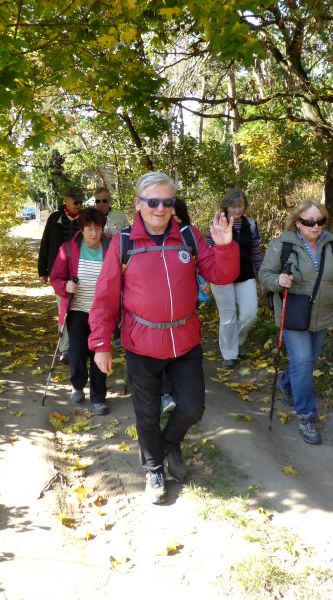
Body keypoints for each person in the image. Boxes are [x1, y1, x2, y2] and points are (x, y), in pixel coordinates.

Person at [88, 171, 239, 504]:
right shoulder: (124, 243)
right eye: (152, 201)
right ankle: (154, 469)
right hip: (141, 344)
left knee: (192, 408)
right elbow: (105, 298)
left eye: (166, 202)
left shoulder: (188, 236)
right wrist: (100, 344)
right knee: (146, 414)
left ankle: (171, 441)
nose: (160, 208)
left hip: (185, 341)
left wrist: (225, 247)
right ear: (138, 204)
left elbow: (221, 274)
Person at [258, 200, 333, 445]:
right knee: (304, 361)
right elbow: (265, 275)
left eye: (320, 221)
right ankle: (307, 416)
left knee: (306, 362)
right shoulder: (281, 245)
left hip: (322, 314)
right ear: (298, 222)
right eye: (309, 222)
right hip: (293, 314)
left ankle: (287, 383)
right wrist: (279, 281)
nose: (315, 226)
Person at [51, 208, 111, 415]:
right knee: (77, 354)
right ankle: (78, 385)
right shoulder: (68, 249)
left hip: (102, 312)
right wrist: (65, 286)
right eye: (89, 228)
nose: (94, 233)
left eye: (98, 228)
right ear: (82, 229)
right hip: (77, 309)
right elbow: (55, 278)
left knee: (99, 355)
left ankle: (98, 398)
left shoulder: (111, 248)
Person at [160, 198, 210, 414]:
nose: (173, 222)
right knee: (160, 348)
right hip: (158, 310)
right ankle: (165, 393)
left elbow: (202, 264)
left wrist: (205, 281)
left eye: (177, 217)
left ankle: (180, 389)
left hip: (186, 306)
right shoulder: (153, 238)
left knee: (180, 348)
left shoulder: (190, 235)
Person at [206, 188, 264, 368]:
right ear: (226, 207)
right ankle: (229, 354)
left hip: (245, 276)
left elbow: (256, 252)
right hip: (221, 278)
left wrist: (261, 277)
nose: (238, 210)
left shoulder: (251, 225)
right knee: (228, 317)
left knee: (250, 315)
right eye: (234, 207)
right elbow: (207, 254)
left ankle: (236, 342)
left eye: (241, 206)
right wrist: (206, 280)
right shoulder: (217, 224)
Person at [38, 186, 85, 362]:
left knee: (81, 309)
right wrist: (42, 270)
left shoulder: (85, 219)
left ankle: (80, 346)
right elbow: (45, 244)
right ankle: (65, 349)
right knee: (63, 309)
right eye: (75, 201)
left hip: (81, 271)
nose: (78, 205)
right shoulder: (54, 219)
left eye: (81, 202)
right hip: (59, 273)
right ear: (66, 200)